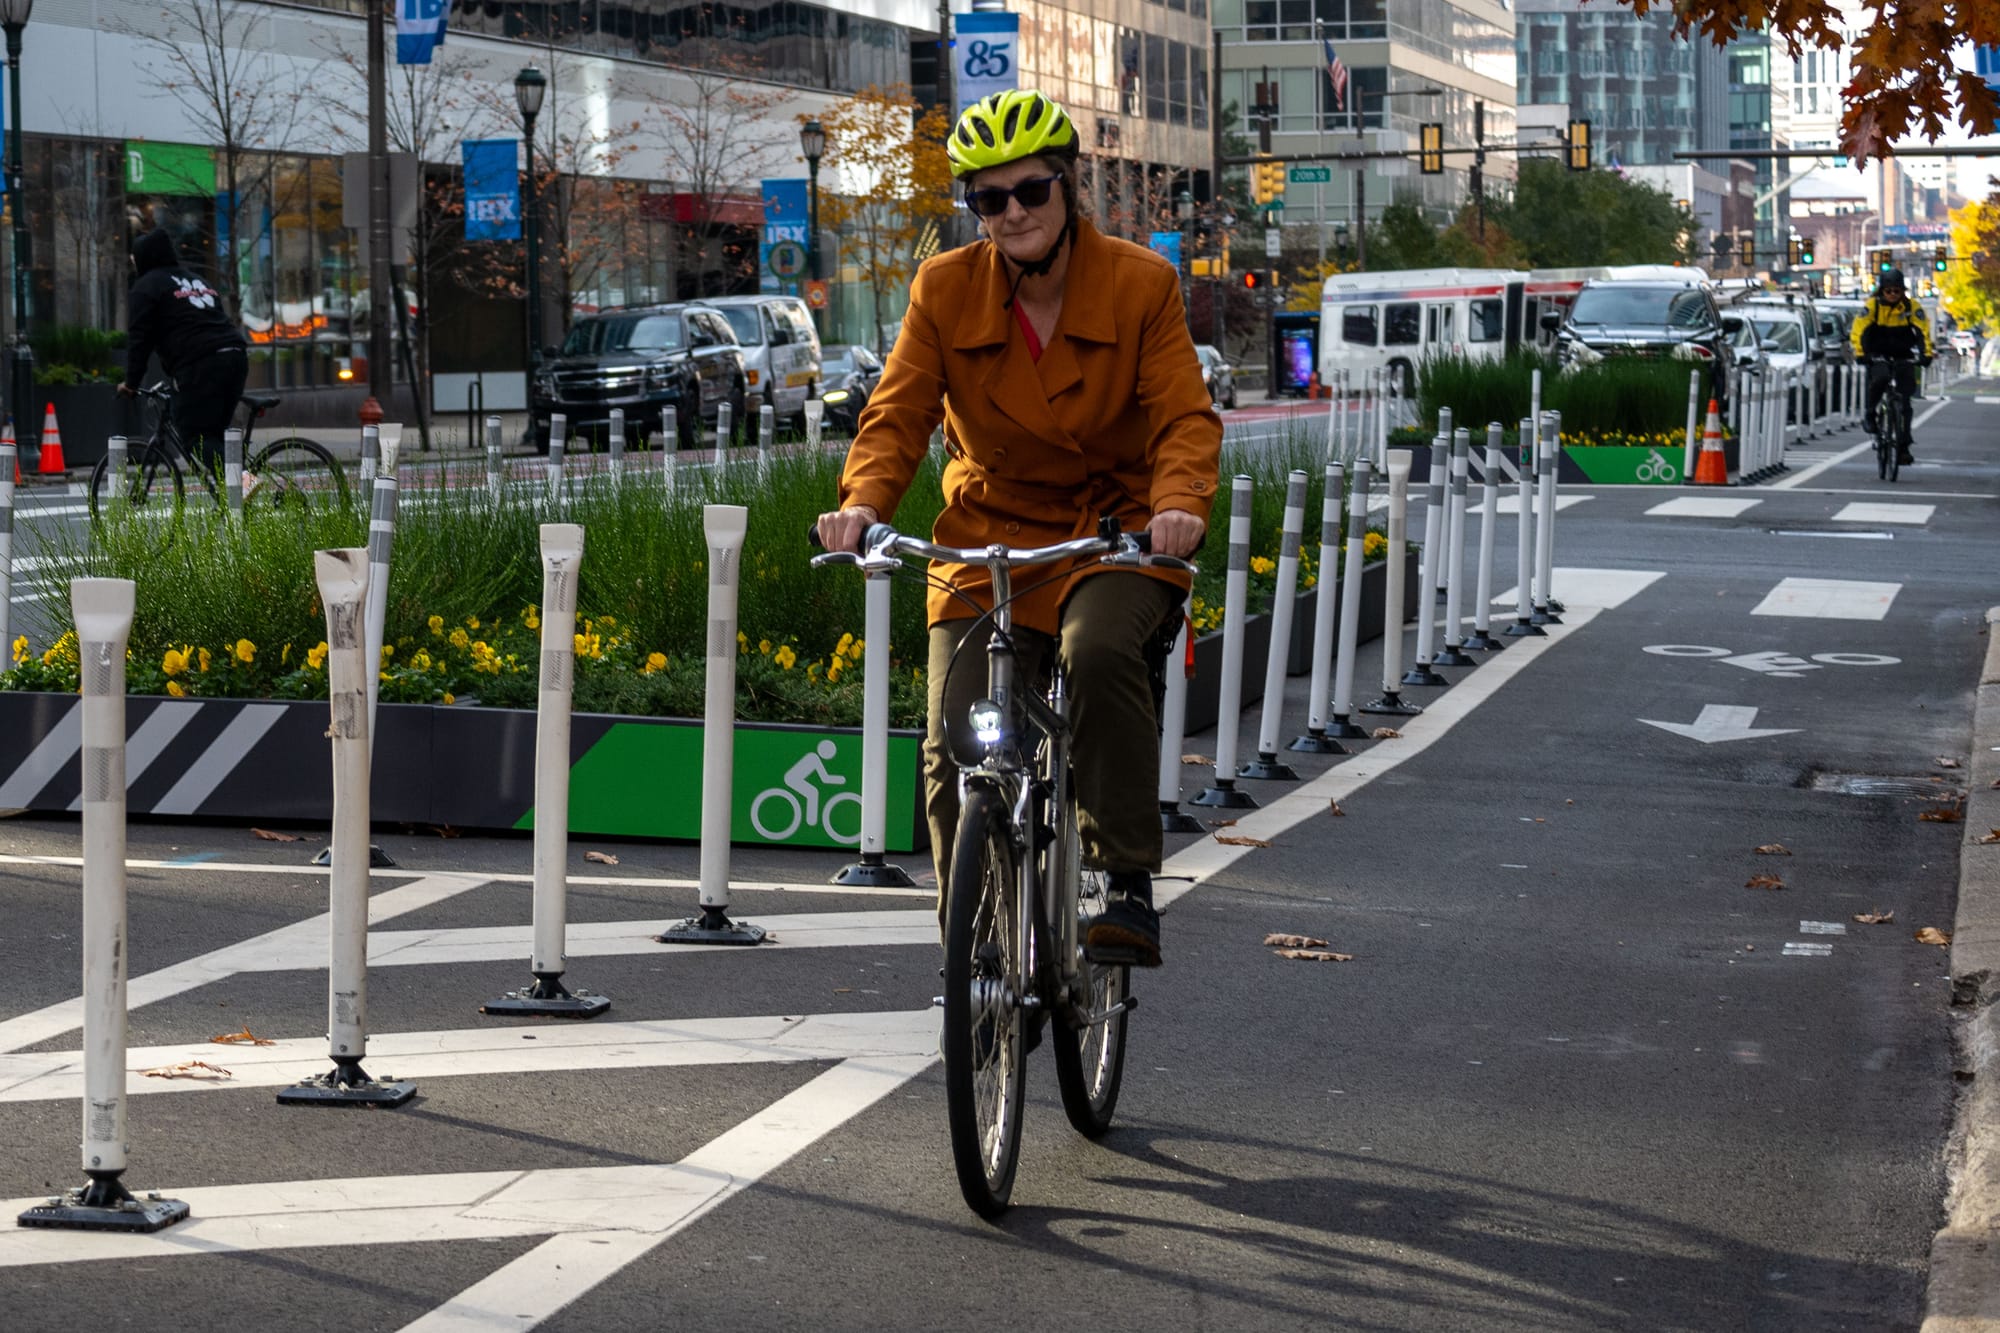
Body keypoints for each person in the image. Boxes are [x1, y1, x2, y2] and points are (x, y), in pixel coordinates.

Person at [815, 89, 1221, 968]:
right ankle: (979, 950)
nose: (1012, 214)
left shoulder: (1141, 282)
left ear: (1068, 187)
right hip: (989, 531)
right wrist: (862, 504)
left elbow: (1184, 415)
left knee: (1102, 649)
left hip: (1115, 531)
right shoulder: (944, 287)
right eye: (987, 200)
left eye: (1030, 191)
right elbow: (896, 416)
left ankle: (1122, 879)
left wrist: (1181, 500)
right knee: (953, 741)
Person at [119, 228, 249, 470]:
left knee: (194, 436)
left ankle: (245, 481)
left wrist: (131, 383)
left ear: (145, 257)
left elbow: (140, 339)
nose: (133, 263)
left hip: (202, 362)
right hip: (235, 355)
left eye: (134, 258)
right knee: (213, 436)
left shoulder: (146, 287)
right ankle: (235, 502)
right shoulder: (197, 280)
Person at [1850, 267, 1933, 466]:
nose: (1893, 295)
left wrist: (1926, 354)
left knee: (1905, 401)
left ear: (1903, 291)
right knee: (1880, 378)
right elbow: (1858, 330)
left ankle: (1904, 446)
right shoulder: (1872, 306)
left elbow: (1923, 331)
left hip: (1903, 354)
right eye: (1889, 291)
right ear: (1882, 291)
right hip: (1877, 354)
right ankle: (1870, 414)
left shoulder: (1912, 307)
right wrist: (1861, 354)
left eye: (1897, 291)